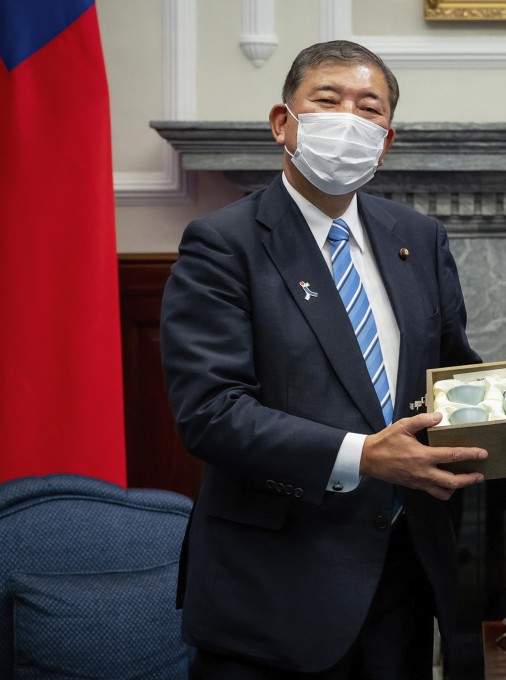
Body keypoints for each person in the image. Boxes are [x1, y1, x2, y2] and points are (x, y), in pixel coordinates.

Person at [160, 40, 487, 679]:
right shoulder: (223, 244)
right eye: (329, 100)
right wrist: (363, 456)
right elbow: (211, 411)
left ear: (386, 141)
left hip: (402, 573)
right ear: (284, 122)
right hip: (273, 590)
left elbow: (451, 376)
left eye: (370, 108)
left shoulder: (417, 239)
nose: (350, 119)